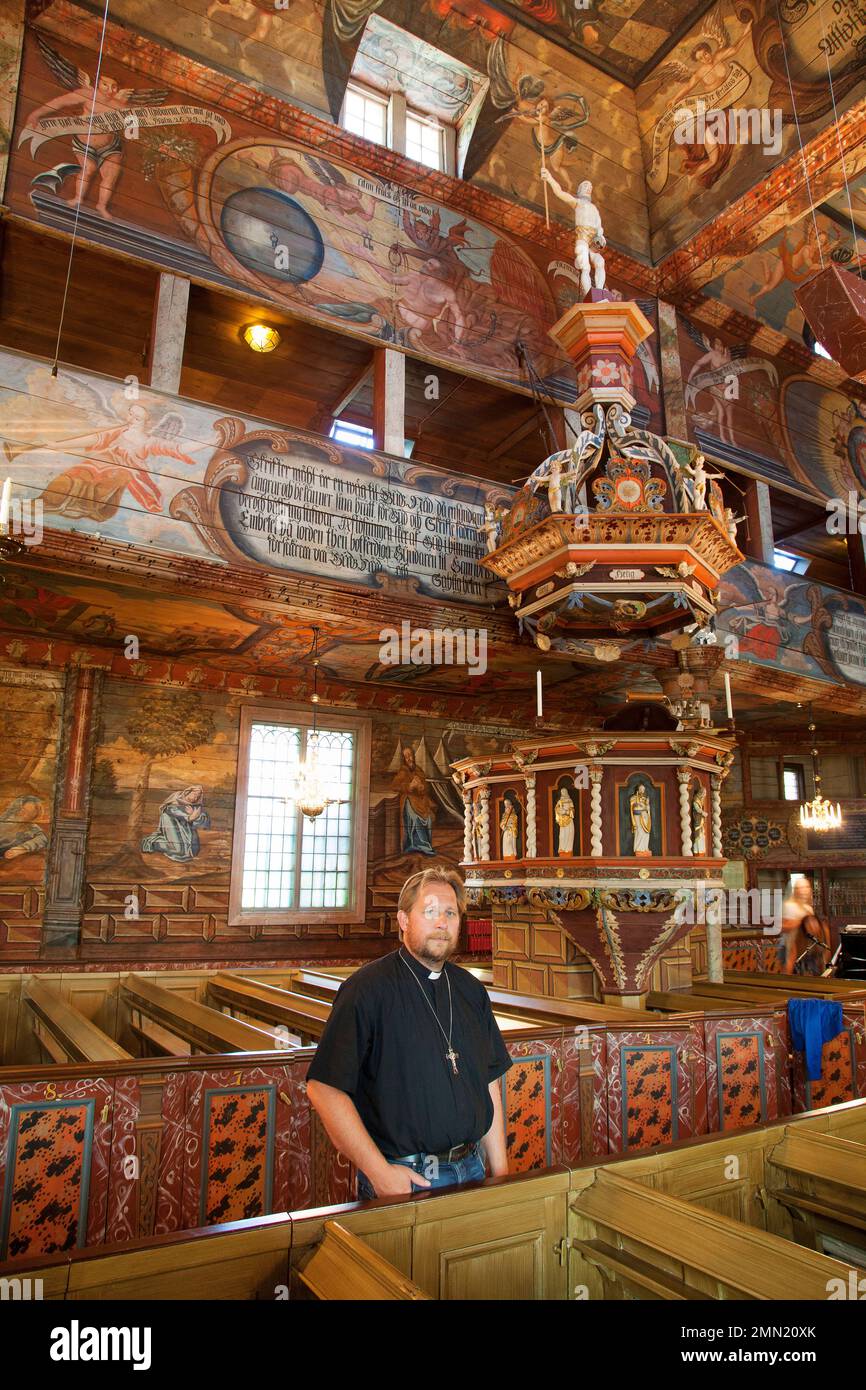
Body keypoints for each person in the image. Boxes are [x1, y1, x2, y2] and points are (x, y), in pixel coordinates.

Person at [306, 868, 511, 1200]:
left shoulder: (471, 991)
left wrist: (501, 1173)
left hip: (473, 1170)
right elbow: (324, 1090)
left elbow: (488, 1081)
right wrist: (379, 1172)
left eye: (450, 913)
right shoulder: (366, 990)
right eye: (430, 911)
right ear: (403, 920)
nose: (442, 923)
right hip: (407, 1179)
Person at [781, 877, 819, 976]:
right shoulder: (789, 906)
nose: (804, 891)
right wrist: (801, 922)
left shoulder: (809, 908)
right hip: (790, 948)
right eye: (800, 888)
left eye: (806, 887)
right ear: (795, 891)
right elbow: (782, 926)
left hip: (807, 950)